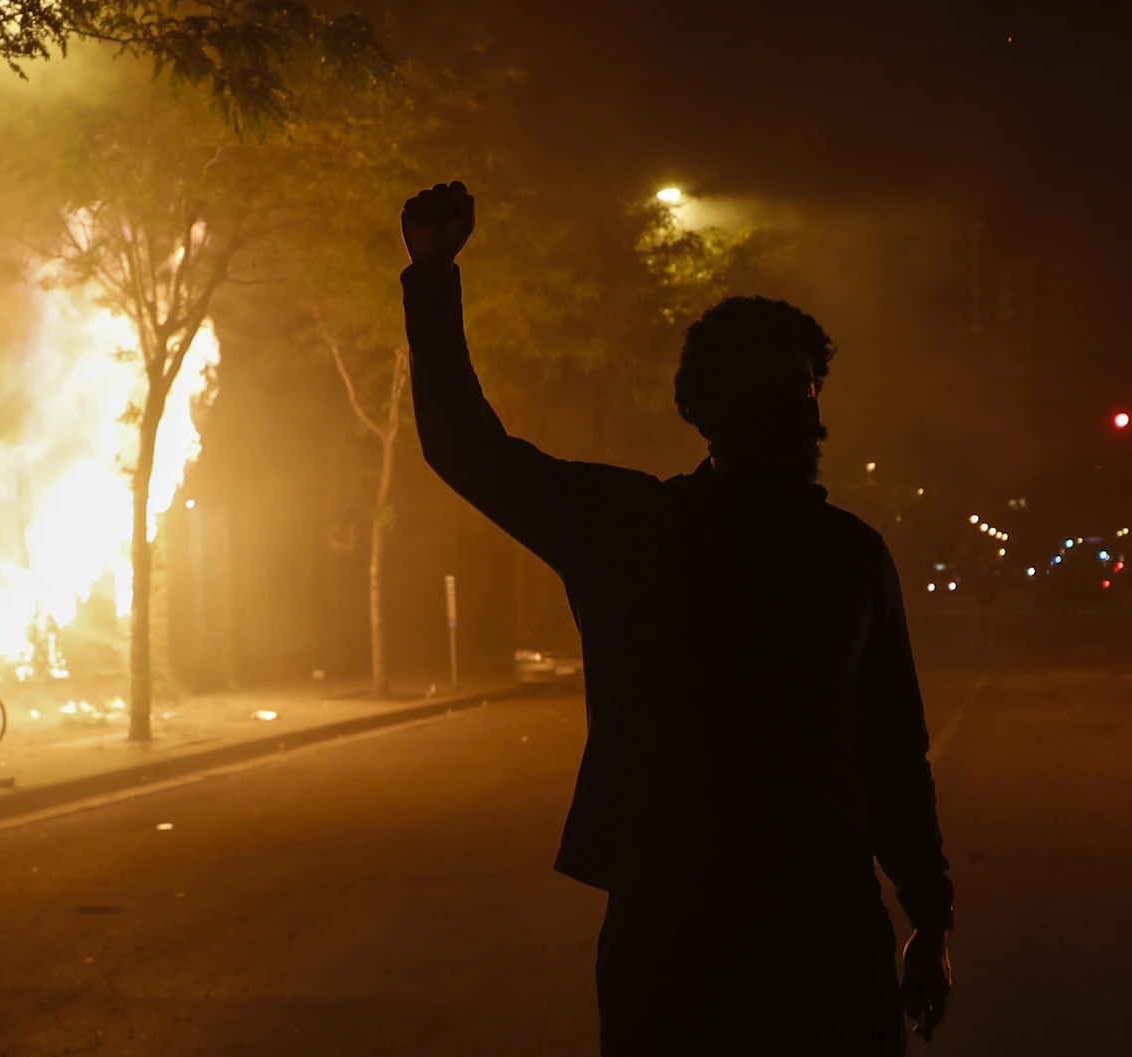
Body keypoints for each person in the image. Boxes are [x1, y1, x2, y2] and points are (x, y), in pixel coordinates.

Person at [399, 182, 952, 1055]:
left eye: (803, 386)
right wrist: (430, 283)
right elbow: (469, 448)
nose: (797, 409)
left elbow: (892, 749)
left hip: (777, 933)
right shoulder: (662, 532)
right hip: (722, 935)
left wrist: (931, 917)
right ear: (710, 409)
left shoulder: (811, 552)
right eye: (773, 390)